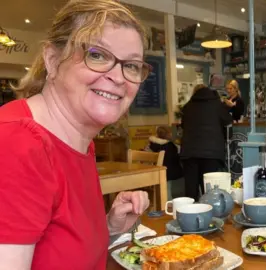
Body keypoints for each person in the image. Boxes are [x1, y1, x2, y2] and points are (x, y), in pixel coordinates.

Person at [0, 1, 151, 269]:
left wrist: (110, 226)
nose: (118, 77)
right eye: (97, 55)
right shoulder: (15, 144)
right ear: (52, 60)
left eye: (132, 65)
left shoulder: (80, 142)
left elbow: (62, 254)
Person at [180, 84, 232, 200]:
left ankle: (190, 214)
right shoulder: (217, 105)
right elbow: (228, 121)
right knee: (209, 191)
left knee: (191, 190)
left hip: (189, 152)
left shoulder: (188, 106)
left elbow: (183, 125)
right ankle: (210, 215)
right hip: (211, 153)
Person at [146, 126, 184, 200]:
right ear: (168, 134)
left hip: (155, 172)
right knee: (168, 190)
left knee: (161, 189)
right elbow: (176, 157)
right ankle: (168, 203)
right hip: (169, 172)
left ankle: (161, 200)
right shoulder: (170, 146)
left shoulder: (152, 145)